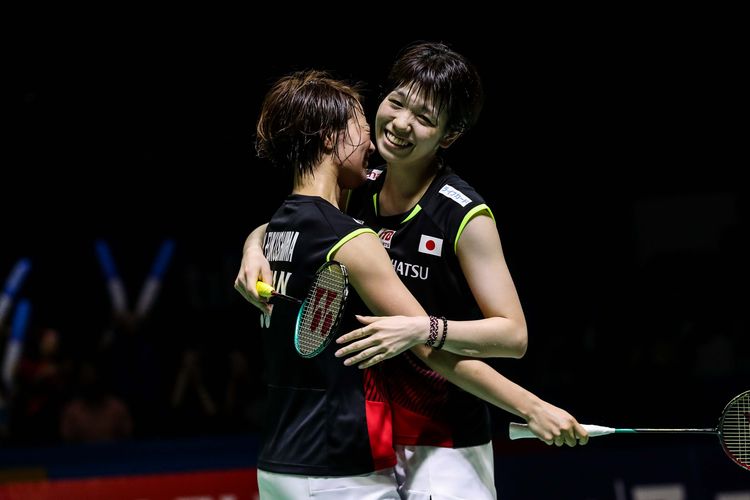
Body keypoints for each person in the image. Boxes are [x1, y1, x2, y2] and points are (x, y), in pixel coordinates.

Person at [238, 67, 587, 499]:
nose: (401, 124)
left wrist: (427, 328)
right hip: (366, 440)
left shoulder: (463, 216)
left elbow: (513, 336)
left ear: (448, 135)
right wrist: (255, 246)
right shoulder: (356, 189)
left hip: (440, 441)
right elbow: (303, 222)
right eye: (397, 103)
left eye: (424, 117)